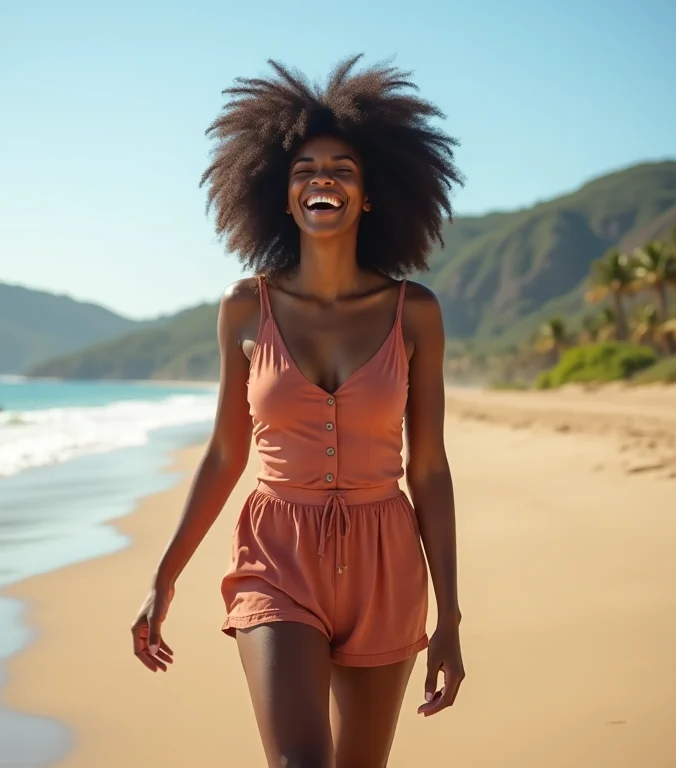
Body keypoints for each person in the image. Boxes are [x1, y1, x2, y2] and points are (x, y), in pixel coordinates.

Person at [131, 55, 465, 766]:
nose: (324, 180)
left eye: (343, 168)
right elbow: (226, 453)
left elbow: (430, 468)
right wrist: (164, 576)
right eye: (304, 169)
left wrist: (452, 616)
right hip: (277, 552)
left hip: (387, 556)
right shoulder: (245, 308)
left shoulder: (415, 314)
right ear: (279, 195)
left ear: (370, 195)